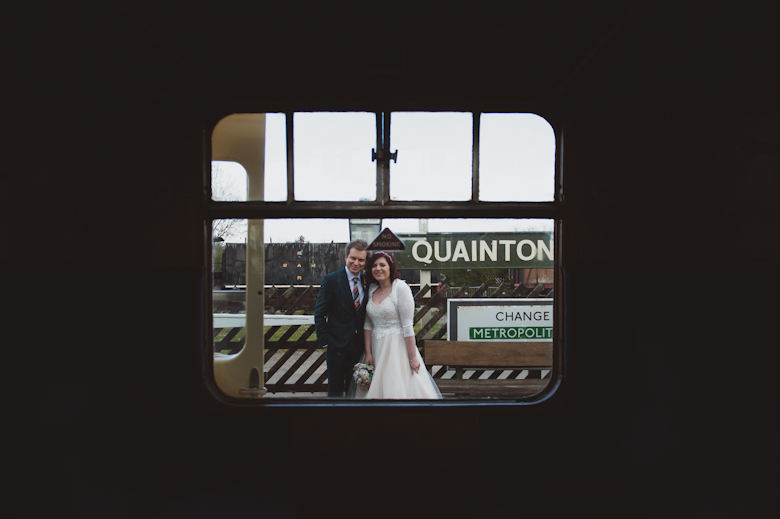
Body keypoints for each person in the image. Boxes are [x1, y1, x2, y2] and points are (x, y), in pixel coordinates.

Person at [358, 251, 442, 399]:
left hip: (397, 348)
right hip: (376, 347)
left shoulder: (401, 288)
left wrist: (412, 357)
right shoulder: (371, 289)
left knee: (396, 386)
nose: (378, 268)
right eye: (374, 265)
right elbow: (368, 324)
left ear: (390, 268)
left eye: (382, 265)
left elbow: (408, 326)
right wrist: (368, 352)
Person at [314, 239, 370, 397]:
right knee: (335, 392)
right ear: (346, 257)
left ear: (365, 262)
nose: (356, 263)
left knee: (356, 390)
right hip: (336, 348)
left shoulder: (368, 281)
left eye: (361, 260)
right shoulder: (331, 280)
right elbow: (319, 313)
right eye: (353, 258)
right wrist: (325, 342)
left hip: (359, 349)